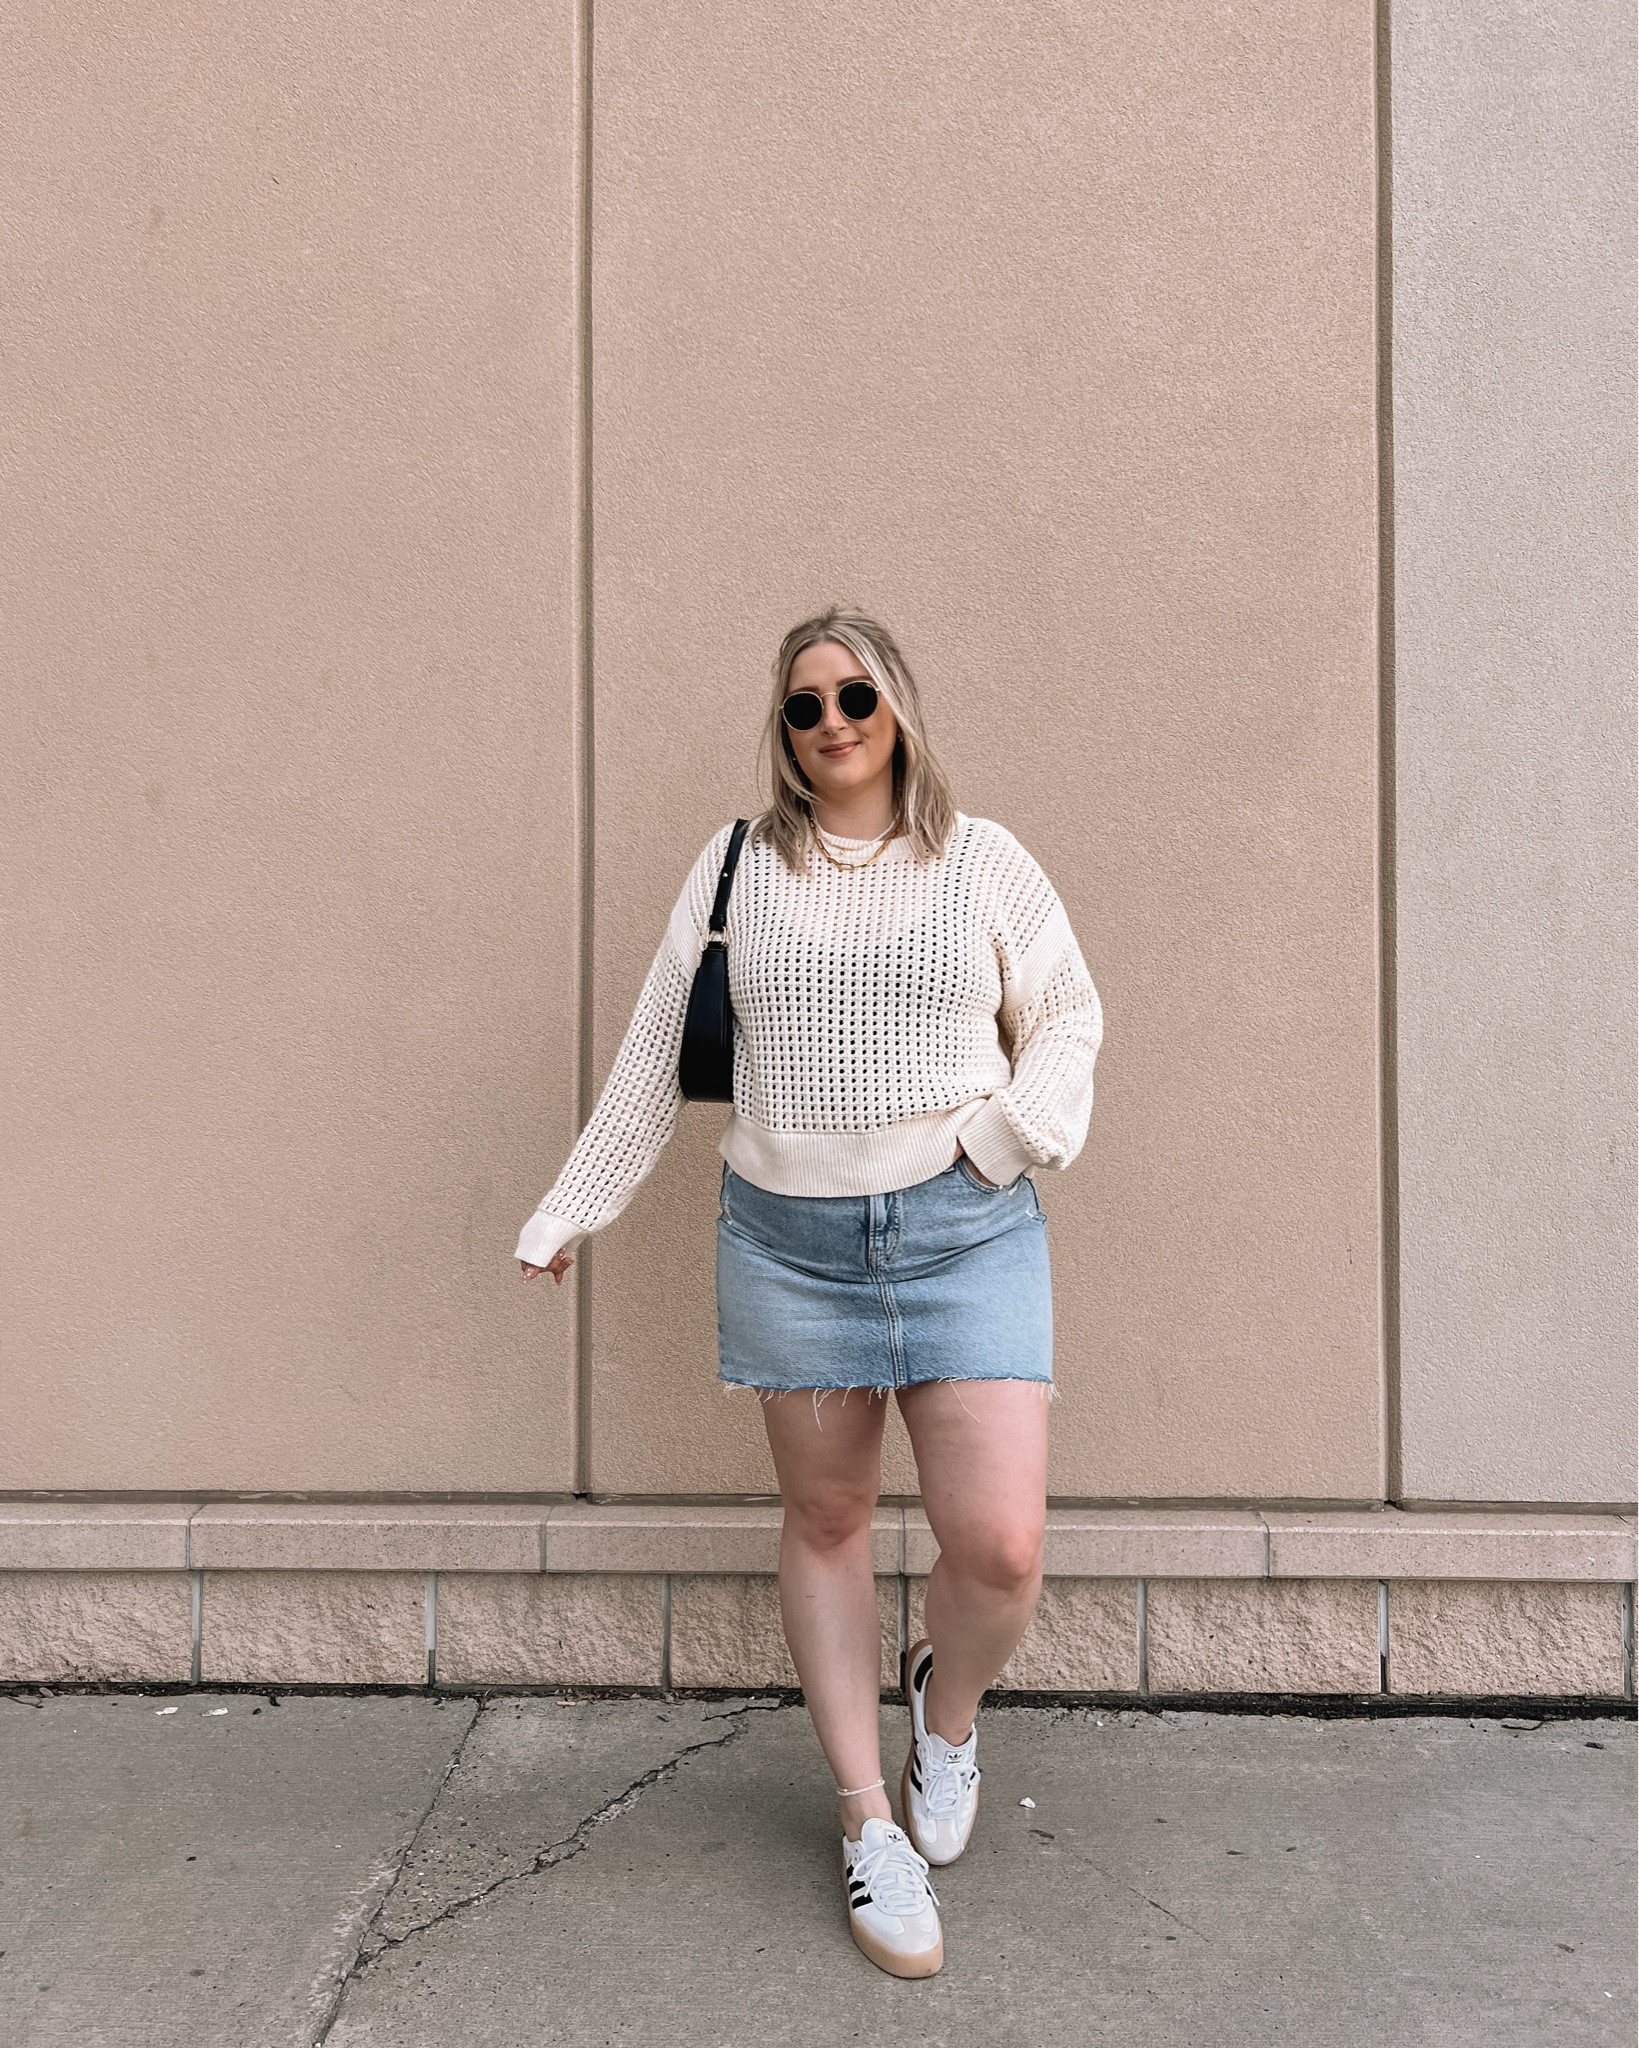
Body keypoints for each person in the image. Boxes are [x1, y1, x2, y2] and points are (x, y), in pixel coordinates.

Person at [516, 607, 1104, 1977]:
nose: (831, 721)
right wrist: (571, 1208)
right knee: (828, 1521)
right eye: (802, 706)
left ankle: (943, 1717)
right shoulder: (738, 870)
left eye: (853, 694)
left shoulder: (983, 859)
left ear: (897, 702)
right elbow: (657, 1055)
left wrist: (997, 1141)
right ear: (781, 732)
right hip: (788, 1246)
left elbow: (1068, 1014)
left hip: (967, 1234)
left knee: (1001, 1545)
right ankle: (864, 1818)